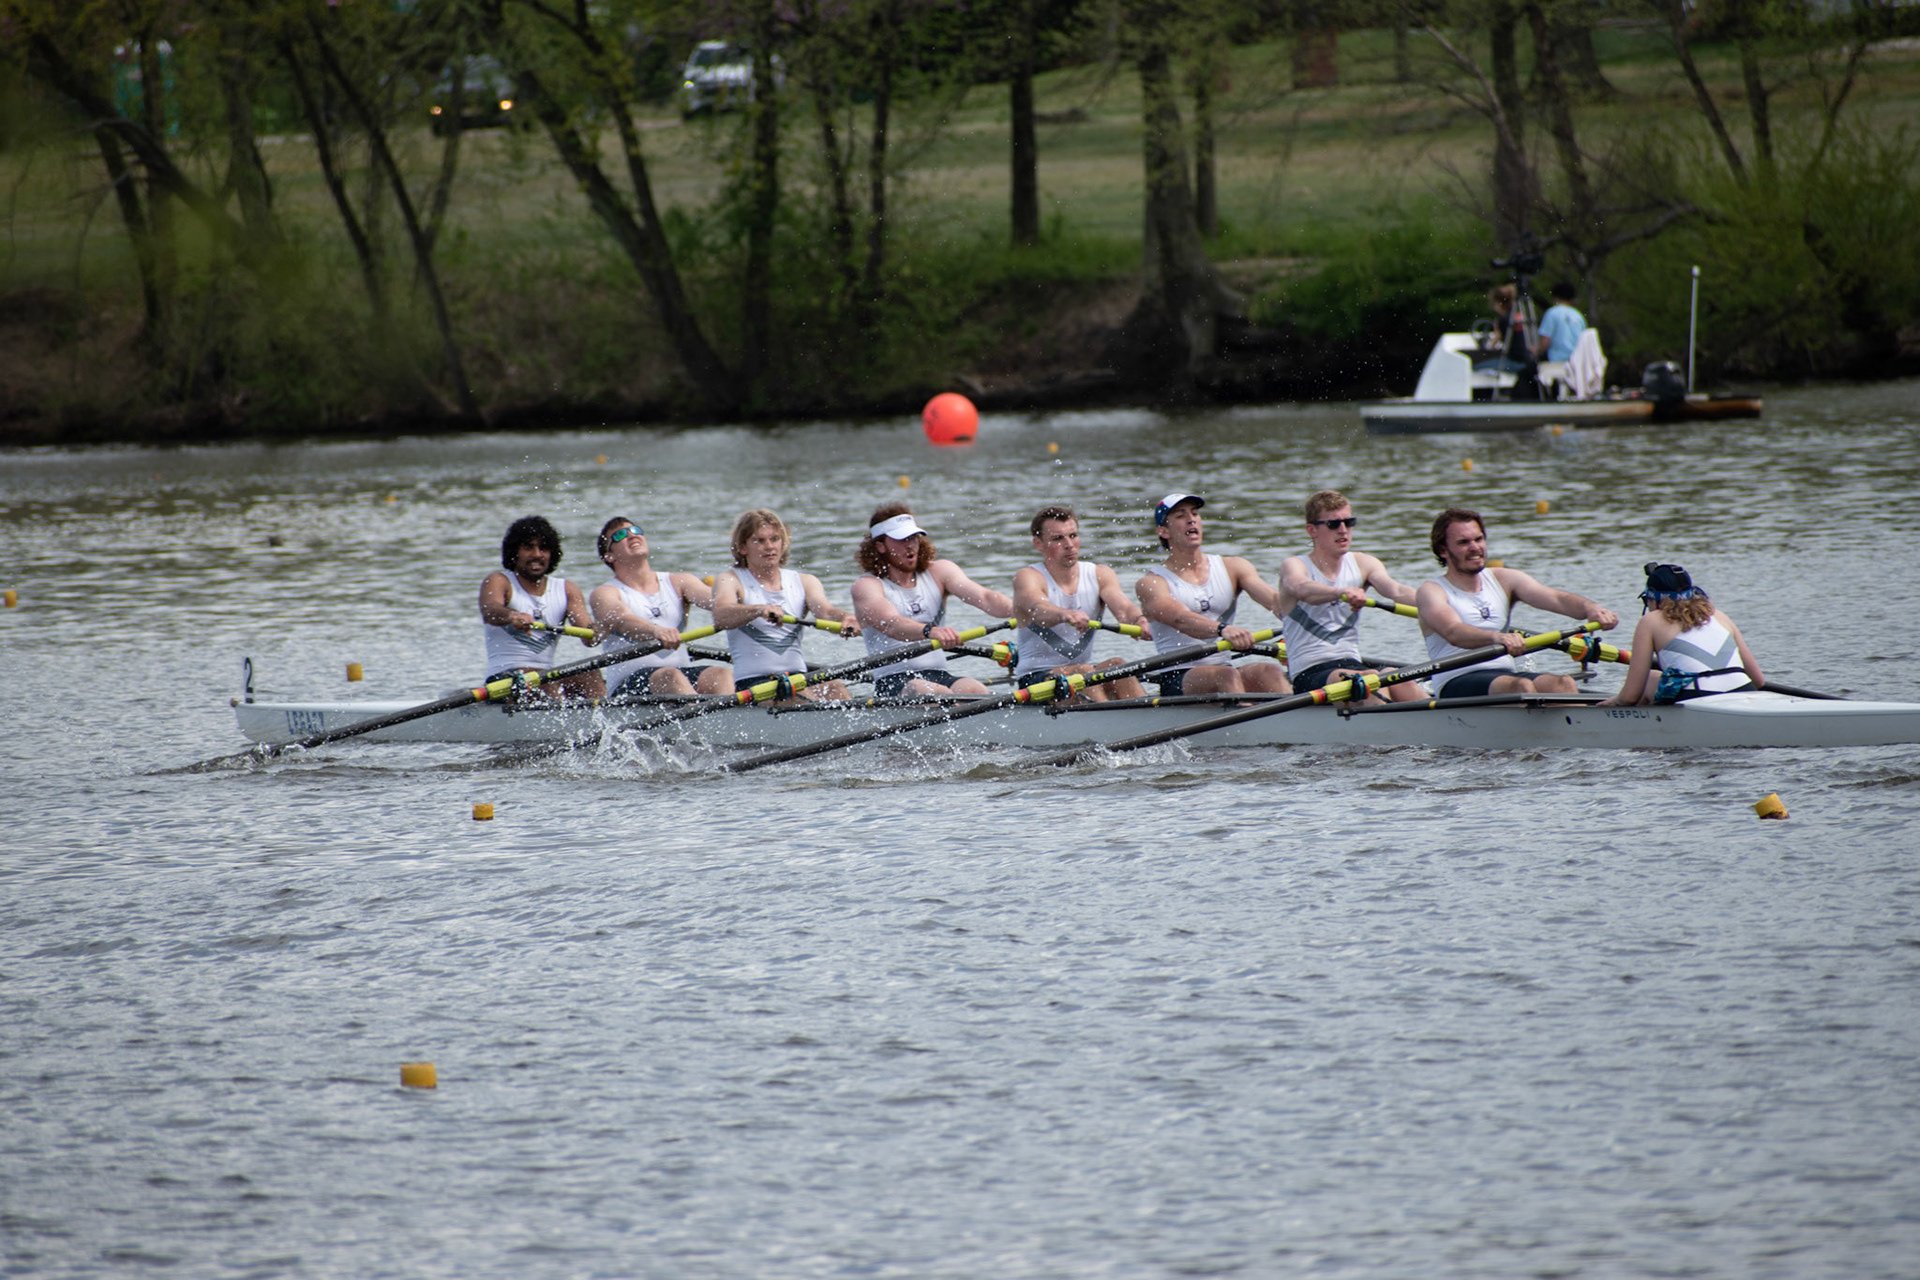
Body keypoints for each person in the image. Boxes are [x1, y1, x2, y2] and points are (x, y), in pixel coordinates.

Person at [1416, 507, 1619, 700]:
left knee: (1563, 684)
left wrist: (1591, 609)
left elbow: (1556, 598)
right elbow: (1454, 632)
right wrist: (1497, 637)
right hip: (1455, 679)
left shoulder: (1505, 580)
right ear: (1443, 550)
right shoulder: (1431, 591)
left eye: (1479, 539)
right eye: (1464, 542)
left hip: (1504, 675)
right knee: (1521, 688)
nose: (1475, 548)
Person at [1274, 490, 1426, 703]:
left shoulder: (1364, 564)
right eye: (1333, 524)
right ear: (1312, 530)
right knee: (1368, 679)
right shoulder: (1294, 566)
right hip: (1309, 673)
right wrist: (1341, 592)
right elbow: (1302, 589)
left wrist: (1441, 602)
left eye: (1349, 522)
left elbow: (1397, 591)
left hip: (1352, 663)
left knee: (1402, 679)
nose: (1343, 530)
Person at [1136, 492, 1291, 697]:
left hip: (1224, 667)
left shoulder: (1234, 567)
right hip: (1178, 675)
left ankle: (1295, 724)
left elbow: (1274, 600)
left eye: (1194, 513)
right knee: (1225, 676)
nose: (1191, 519)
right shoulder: (1152, 582)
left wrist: (1301, 618)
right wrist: (1223, 630)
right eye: (1180, 515)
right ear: (1164, 531)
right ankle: (1247, 725)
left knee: (1269, 671)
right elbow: (1181, 619)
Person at [851, 504, 1014, 698]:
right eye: (901, 539)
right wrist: (931, 631)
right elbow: (892, 625)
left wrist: (1020, 609)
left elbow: (986, 598)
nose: (910, 545)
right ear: (881, 546)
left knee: (973, 689)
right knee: (930, 691)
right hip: (893, 681)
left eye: (913, 537)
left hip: (939, 675)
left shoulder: (940, 571)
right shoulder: (867, 586)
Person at [711, 508, 859, 701]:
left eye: (775, 539)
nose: (769, 546)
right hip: (754, 684)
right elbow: (721, 615)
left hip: (797, 679)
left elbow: (826, 612)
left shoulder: (805, 581)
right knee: (796, 697)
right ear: (742, 548)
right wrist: (759, 610)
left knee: (836, 688)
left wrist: (845, 618)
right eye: (759, 541)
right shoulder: (730, 580)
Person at [1011, 505, 1153, 701]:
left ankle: (1147, 717)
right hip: (1035, 679)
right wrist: (1064, 614)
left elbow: (1124, 608)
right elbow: (1039, 609)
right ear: (1038, 544)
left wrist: (1139, 620)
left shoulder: (1100, 574)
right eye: (1058, 539)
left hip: (1080, 675)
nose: (1069, 544)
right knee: (1083, 672)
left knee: (1118, 666)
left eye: (1073, 535)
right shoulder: (1028, 577)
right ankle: (1110, 722)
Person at [589, 516, 732, 699]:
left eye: (636, 530)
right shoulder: (604, 593)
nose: (632, 536)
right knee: (669, 676)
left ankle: (729, 724)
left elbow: (720, 603)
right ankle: (702, 723)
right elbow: (622, 620)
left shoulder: (680, 582)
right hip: (628, 687)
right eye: (620, 535)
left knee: (721, 675)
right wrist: (655, 631)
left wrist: (750, 603)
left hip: (678, 678)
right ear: (609, 556)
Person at [1599, 563, 1763, 706]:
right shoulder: (1718, 615)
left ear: (1654, 599)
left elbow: (1630, 697)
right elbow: (1759, 681)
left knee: (1651, 677)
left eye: (1646, 600)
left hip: (1697, 696)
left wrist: (1612, 703)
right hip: (1744, 690)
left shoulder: (1651, 620)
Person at [478, 514, 604, 700]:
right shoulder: (499, 581)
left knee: (590, 674)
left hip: (545, 678)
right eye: (528, 547)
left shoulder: (566, 588)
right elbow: (490, 611)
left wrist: (597, 631)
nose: (537, 554)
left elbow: (587, 636)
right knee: (544, 683)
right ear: (515, 552)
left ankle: (603, 723)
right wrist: (512, 616)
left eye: (543, 548)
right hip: (504, 679)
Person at [1474, 283, 1533, 375]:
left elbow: (1492, 345)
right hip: (1529, 360)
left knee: (1475, 367)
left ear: (1498, 303)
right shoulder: (1519, 316)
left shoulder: (1503, 320)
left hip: (1515, 362)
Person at [1535, 280, 1588, 363]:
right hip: (1577, 362)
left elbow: (1545, 342)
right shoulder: (1579, 316)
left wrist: (1536, 351)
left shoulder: (1552, 313)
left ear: (1555, 297)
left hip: (1556, 361)